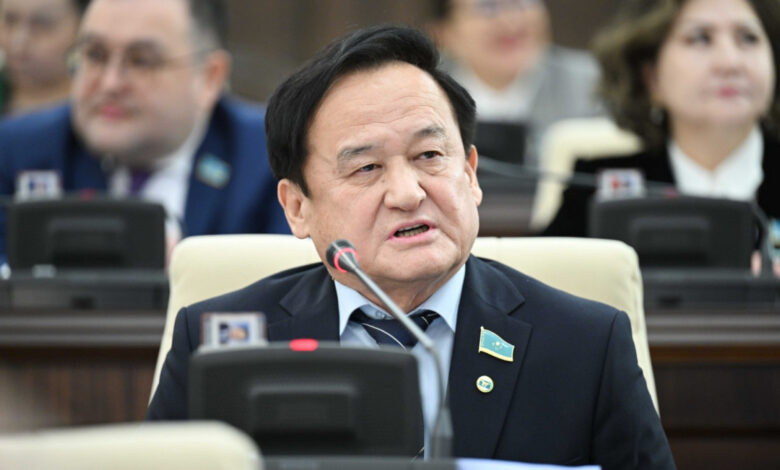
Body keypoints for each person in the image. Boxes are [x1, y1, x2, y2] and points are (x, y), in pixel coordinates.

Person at [148, 24, 675, 469]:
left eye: (429, 155)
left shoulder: (586, 345)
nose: (407, 193)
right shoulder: (212, 345)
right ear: (297, 207)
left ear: (470, 174)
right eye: (366, 167)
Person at [0, 0, 289, 265]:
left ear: (210, 76)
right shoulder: (17, 151)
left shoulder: (274, 160)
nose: (110, 83)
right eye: (95, 55)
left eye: (141, 61)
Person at [543, 0, 780, 238]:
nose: (730, 63)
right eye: (700, 38)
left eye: (748, 38)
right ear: (651, 77)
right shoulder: (597, 190)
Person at [429, 0, 602, 166]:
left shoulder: (594, 84)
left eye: (522, 2)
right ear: (444, 32)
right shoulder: (426, 92)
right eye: (487, 6)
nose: (510, 20)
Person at [0, 0, 88, 115]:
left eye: (42, 24)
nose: (18, 43)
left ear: (82, 28)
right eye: (10, 20)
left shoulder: (92, 111)